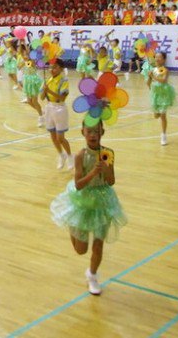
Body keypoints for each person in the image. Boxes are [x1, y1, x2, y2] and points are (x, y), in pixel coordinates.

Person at [50, 119, 126, 295]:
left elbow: (111, 181)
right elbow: (78, 184)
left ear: (102, 133)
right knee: (80, 250)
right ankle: (72, 225)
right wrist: (93, 172)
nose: (93, 135)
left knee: (98, 245)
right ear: (83, 132)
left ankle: (92, 276)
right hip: (83, 201)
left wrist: (105, 170)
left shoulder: (108, 153)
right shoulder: (80, 156)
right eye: (89, 131)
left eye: (96, 131)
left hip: (102, 202)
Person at [41, 58, 74, 169]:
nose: (52, 69)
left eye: (54, 67)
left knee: (60, 138)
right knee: (53, 136)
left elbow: (62, 98)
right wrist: (44, 90)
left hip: (60, 109)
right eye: (51, 67)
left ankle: (70, 156)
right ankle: (61, 154)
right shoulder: (48, 80)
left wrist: (49, 91)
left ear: (60, 68)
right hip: (49, 108)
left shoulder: (64, 80)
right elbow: (41, 97)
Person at [147, 52, 175, 145]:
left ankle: (163, 135)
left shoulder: (165, 70)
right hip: (155, 93)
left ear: (164, 59)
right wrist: (149, 77)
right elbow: (148, 84)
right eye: (156, 57)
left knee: (163, 115)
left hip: (164, 94)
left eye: (160, 57)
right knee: (156, 115)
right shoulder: (152, 69)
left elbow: (164, 80)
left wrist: (153, 76)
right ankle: (158, 113)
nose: (158, 58)